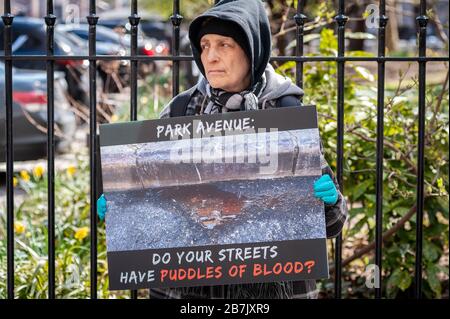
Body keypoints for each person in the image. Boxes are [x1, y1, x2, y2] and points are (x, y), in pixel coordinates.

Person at [97, 0, 347, 299]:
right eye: (204, 45)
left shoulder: (287, 112)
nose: (210, 57)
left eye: (224, 45)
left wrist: (328, 202)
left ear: (251, 50)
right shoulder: (181, 111)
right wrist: (123, 207)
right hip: (190, 294)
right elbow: (154, 210)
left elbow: (332, 225)